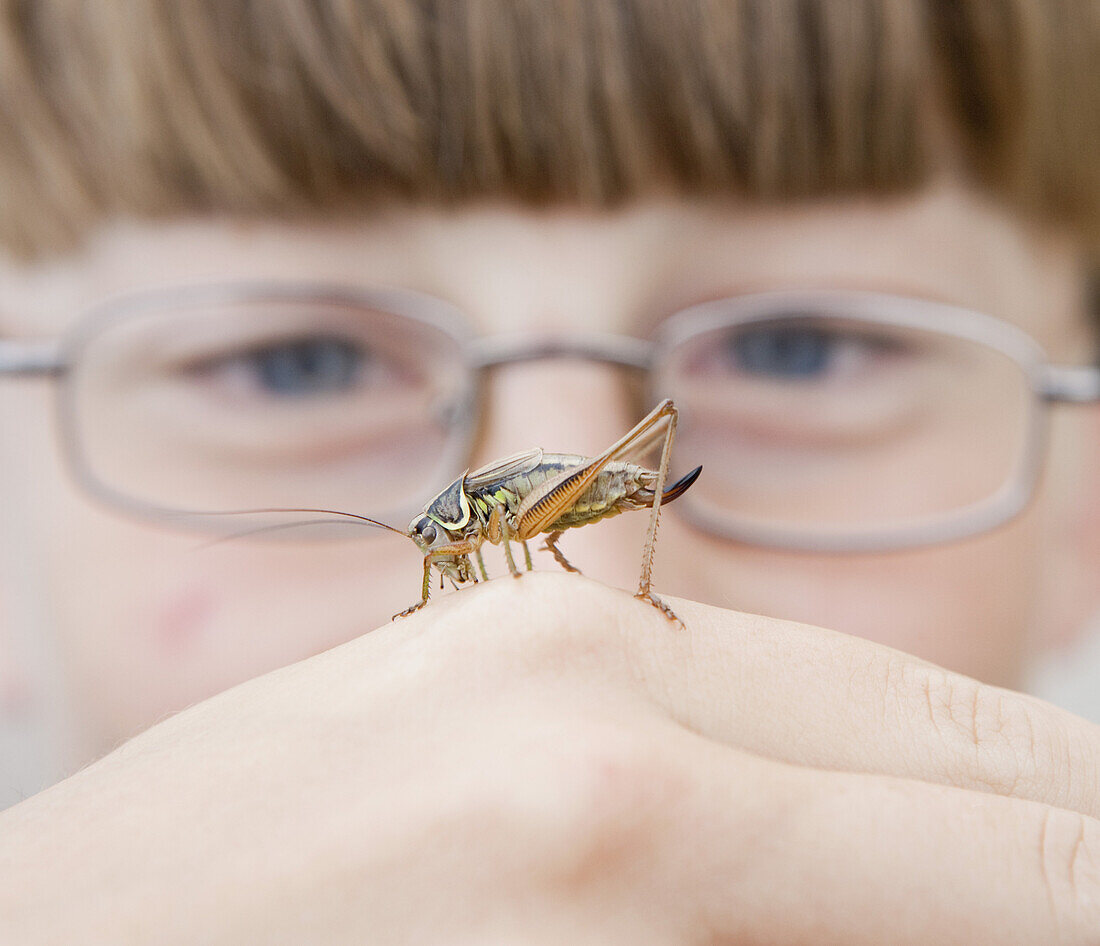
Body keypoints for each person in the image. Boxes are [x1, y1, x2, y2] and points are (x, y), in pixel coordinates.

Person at [1, 0, 1099, 941]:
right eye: (297, 366)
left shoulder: (523, 538)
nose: (558, 663)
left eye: (792, 350)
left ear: (1083, 494)